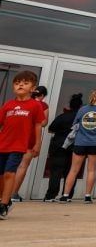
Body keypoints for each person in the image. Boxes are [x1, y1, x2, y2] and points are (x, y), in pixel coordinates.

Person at [0, 70, 46, 218]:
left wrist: (37, 144)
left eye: (25, 83)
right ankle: (3, 199)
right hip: (3, 145)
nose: (20, 85)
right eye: (17, 82)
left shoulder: (35, 105)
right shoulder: (8, 105)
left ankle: (4, 204)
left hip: (19, 146)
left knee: (9, 172)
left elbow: (38, 125)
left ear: (32, 88)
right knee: (1, 175)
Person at [60, 89, 96, 203]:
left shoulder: (82, 109)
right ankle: (87, 196)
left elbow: (75, 124)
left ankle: (65, 195)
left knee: (74, 170)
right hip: (95, 142)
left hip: (80, 142)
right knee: (91, 170)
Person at [9, 84, 48, 203]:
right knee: (23, 165)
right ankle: (13, 193)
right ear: (42, 96)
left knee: (9, 166)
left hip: (15, 136)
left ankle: (5, 192)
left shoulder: (22, 103)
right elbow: (44, 123)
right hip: (30, 137)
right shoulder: (42, 105)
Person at [43, 94, 82, 201]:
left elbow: (51, 129)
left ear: (70, 105)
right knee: (72, 171)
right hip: (75, 146)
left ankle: (50, 196)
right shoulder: (81, 119)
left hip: (58, 146)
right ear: (81, 106)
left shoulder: (62, 116)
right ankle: (67, 195)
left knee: (56, 171)